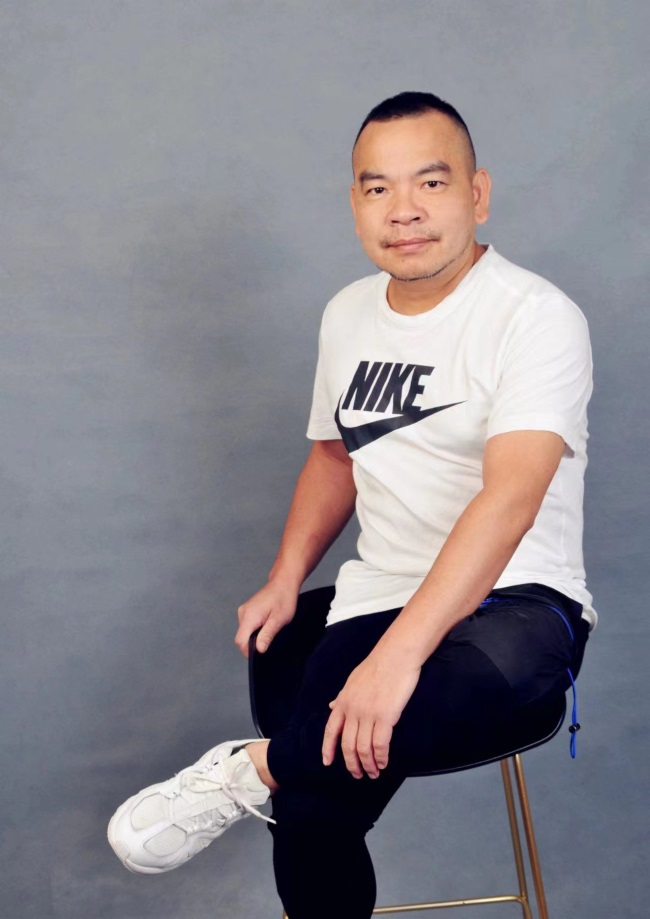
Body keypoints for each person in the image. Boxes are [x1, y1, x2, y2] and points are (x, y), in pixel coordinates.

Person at [107, 92, 595, 919]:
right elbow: (335, 455)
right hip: (379, 595)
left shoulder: (536, 316)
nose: (404, 210)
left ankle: (250, 769)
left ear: (477, 194)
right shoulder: (347, 314)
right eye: (378, 188)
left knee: (410, 709)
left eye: (430, 183)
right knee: (313, 816)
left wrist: (398, 658)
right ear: (355, 204)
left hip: (516, 603)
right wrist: (284, 576)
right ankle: (286, 771)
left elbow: (510, 499)